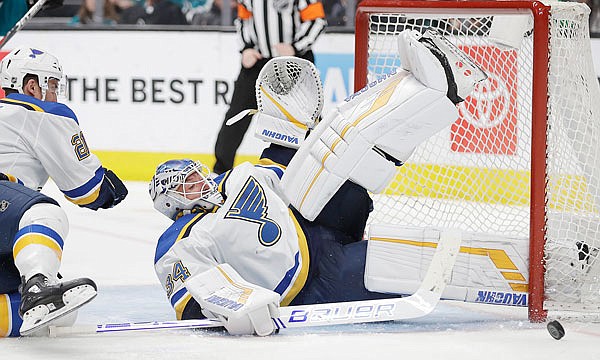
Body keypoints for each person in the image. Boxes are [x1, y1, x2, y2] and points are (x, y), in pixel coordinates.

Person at [150, 29, 487, 336]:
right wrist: (235, 305)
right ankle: (498, 275)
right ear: (170, 202)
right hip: (318, 281)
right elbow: (188, 288)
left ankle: (438, 89)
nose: (198, 184)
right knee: (416, 264)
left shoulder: (236, 179)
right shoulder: (178, 237)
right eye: (187, 185)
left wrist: (291, 133)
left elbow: (287, 171)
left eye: (196, 176)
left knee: (344, 136)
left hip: (320, 218)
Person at [0, 46, 128, 337]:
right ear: (32, 86)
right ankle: (36, 283)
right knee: (43, 211)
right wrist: (110, 190)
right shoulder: (40, 111)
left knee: (56, 311)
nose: (56, 95)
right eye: (53, 86)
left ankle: (36, 290)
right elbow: (86, 189)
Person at [212, 0, 327, 175]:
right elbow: (243, 20)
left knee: (307, 119)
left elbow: (317, 21)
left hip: (295, 62)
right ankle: (220, 172)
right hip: (257, 62)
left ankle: (317, 172)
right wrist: (246, 48)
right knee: (236, 116)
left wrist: (295, 47)